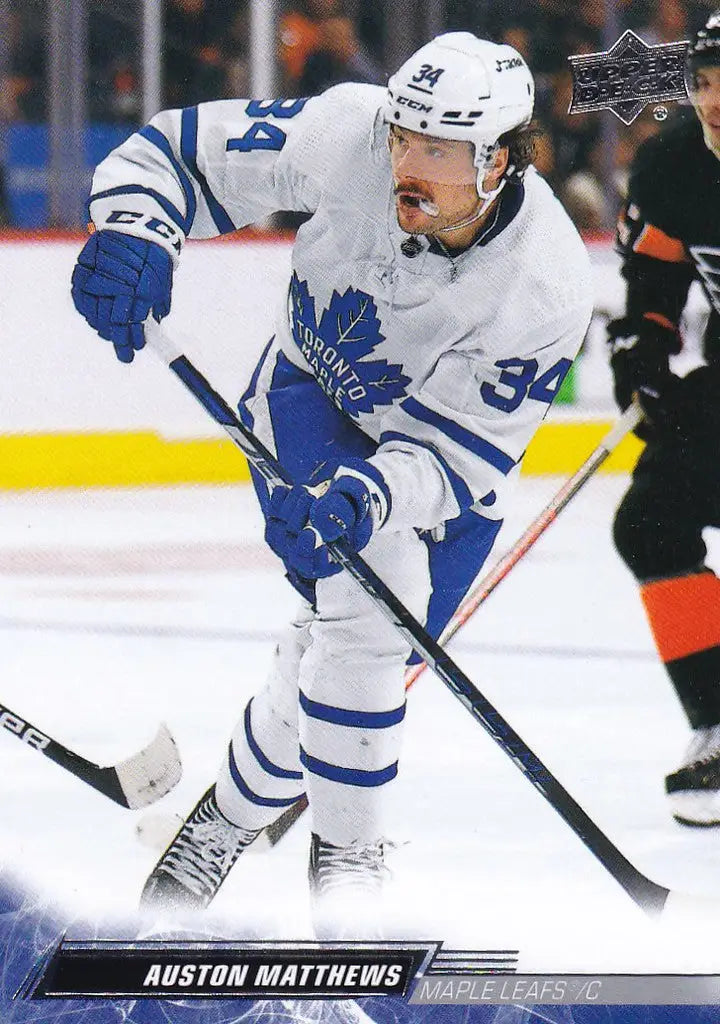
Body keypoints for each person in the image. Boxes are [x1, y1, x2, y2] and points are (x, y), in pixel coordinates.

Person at [70, 32, 592, 938]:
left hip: (430, 470)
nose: (405, 164)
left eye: (436, 150)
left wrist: (375, 491)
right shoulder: (348, 133)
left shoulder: (544, 284)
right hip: (304, 399)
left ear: (498, 160)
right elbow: (171, 152)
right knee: (364, 604)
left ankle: (226, 819)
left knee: (353, 667)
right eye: (404, 138)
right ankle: (347, 867)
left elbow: (455, 459)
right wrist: (136, 227)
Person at [607, 10, 720, 828]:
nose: (714, 101)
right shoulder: (674, 165)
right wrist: (642, 354)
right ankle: (718, 722)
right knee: (650, 522)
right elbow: (655, 285)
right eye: (705, 82)